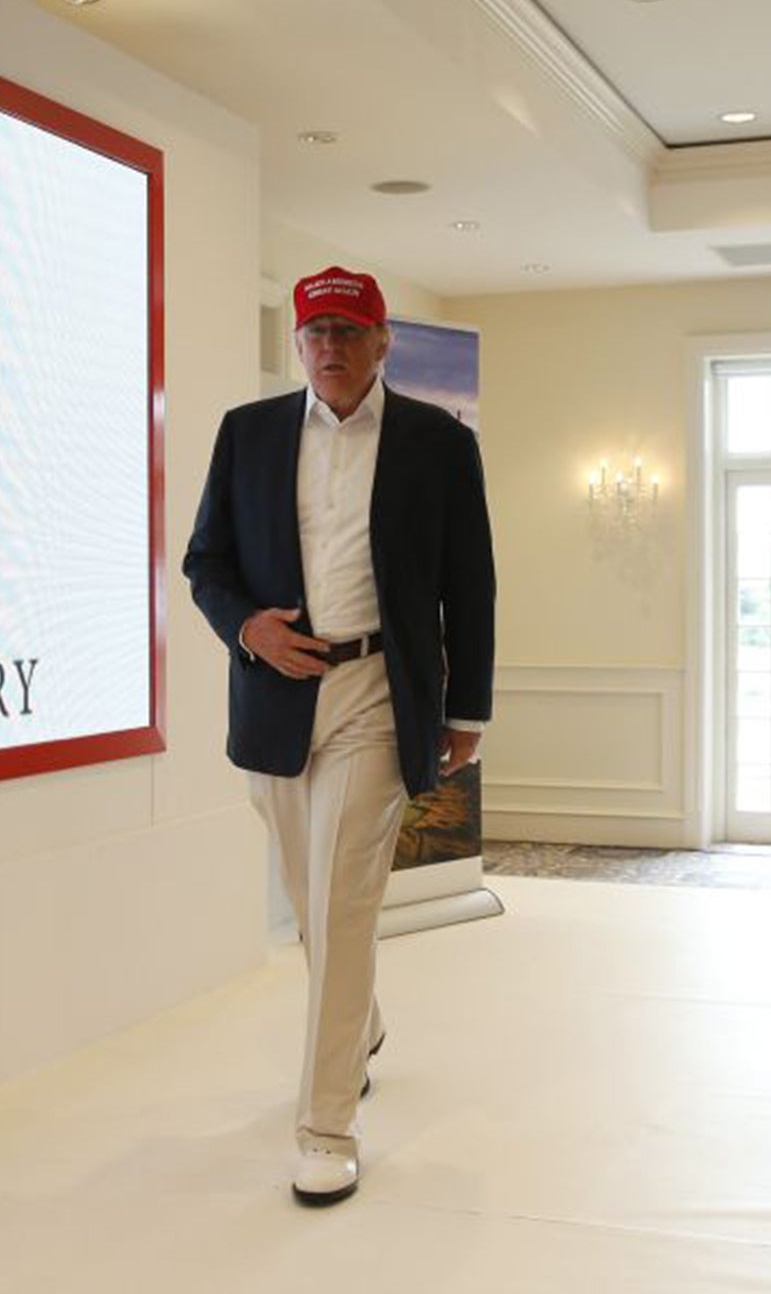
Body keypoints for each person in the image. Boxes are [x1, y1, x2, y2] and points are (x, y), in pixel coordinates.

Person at [183, 266, 495, 1206]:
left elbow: (468, 582)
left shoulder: (438, 442)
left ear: (383, 339)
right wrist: (248, 627)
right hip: (277, 699)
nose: (329, 346)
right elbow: (206, 561)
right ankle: (358, 1024)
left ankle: (326, 1123)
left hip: (377, 692)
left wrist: (465, 709)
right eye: (315, 330)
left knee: (343, 902)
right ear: (299, 339)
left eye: (348, 331)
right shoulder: (249, 433)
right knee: (312, 893)